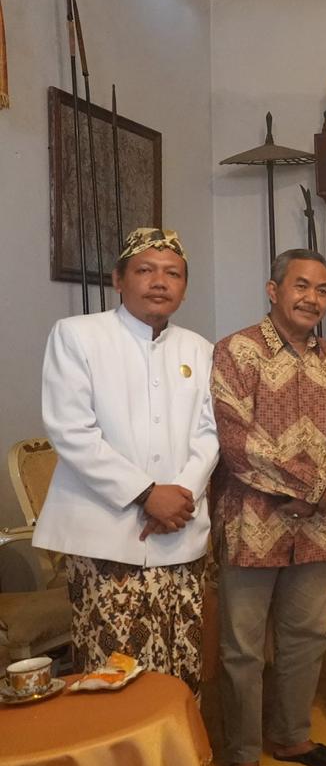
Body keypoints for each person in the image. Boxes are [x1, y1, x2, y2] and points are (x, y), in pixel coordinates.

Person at [37, 229, 218, 696]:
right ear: (118, 279)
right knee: (114, 675)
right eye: (145, 270)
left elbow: (211, 432)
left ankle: (176, 745)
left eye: (173, 273)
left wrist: (180, 495)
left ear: (184, 287)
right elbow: (71, 430)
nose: (159, 281)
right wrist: (146, 494)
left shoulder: (200, 350)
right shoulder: (78, 336)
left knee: (182, 665)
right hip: (105, 536)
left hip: (180, 531)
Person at [212, 249, 326, 766]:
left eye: (322, 289)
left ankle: (292, 737)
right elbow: (236, 442)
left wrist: (323, 487)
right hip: (252, 521)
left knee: (306, 636)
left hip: (313, 527)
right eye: (301, 285)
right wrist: (312, 487)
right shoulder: (237, 351)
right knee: (243, 648)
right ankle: (243, 753)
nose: (311, 298)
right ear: (273, 290)